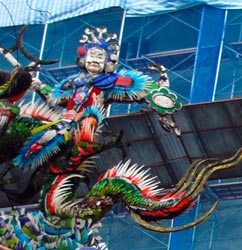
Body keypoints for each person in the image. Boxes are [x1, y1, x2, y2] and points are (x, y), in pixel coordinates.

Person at [18, 27, 180, 171]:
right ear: (84, 59)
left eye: (100, 57)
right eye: (92, 56)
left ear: (107, 62)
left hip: (87, 121)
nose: (95, 60)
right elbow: (55, 96)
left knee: (81, 127)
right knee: (41, 135)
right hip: (65, 121)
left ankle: (77, 153)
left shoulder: (112, 82)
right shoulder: (74, 82)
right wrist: (39, 86)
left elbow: (144, 89)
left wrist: (160, 92)